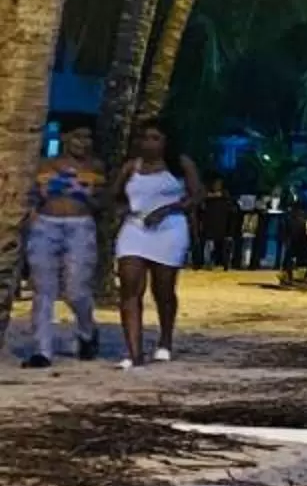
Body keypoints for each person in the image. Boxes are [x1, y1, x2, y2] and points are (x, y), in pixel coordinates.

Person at [114, 121, 200, 366]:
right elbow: (115, 193)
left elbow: (196, 195)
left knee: (163, 290)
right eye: (145, 138)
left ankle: (165, 339)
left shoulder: (180, 164)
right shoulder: (131, 166)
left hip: (170, 228)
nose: (149, 143)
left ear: (166, 141)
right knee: (130, 288)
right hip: (135, 227)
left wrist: (169, 208)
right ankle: (134, 352)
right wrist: (121, 208)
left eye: (155, 138)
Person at [19, 121, 103, 367]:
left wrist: (83, 193)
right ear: (65, 137)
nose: (83, 143)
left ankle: (87, 330)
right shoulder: (44, 165)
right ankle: (42, 349)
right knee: (43, 289)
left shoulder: (95, 167)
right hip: (46, 224)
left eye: (88, 138)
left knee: (77, 289)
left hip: (80, 225)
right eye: (78, 137)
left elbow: (102, 204)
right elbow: (30, 197)